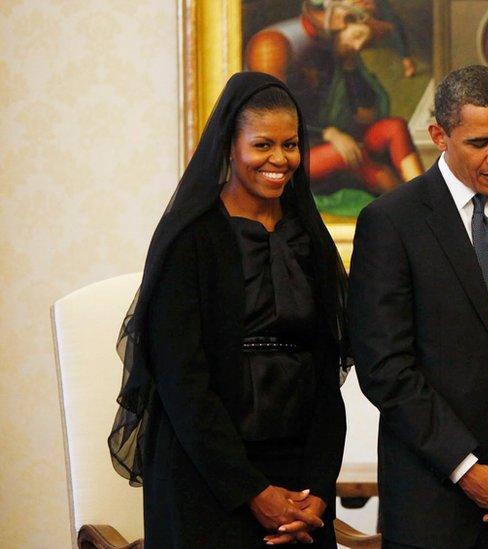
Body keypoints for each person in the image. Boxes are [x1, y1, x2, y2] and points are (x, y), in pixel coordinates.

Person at [108, 72, 349, 547]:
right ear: (229, 147)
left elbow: (326, 376)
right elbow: (183, 385)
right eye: (262, 145)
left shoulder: (311, 241)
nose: (280, 160)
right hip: (205, 475)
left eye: (291, 145)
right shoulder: (189, 239)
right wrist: (252, 492)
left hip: (299, 478)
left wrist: (318, 492)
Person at [348, 65, 488, 548]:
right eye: (480, 143)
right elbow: (385, 367)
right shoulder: (390, 222)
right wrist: (465, 467)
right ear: (439, 135)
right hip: (432, 507)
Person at [246, 0, 423, 209]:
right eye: (357, 37)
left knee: (394, 127)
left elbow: (368, 115)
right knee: (349, 155)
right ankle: (409, 207)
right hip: (291, 153)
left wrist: (349, 68)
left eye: (364, 43)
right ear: (342, 23)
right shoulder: (277, 45)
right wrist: (327, 133)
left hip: (338, 140)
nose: (358, 47)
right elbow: (270, 117)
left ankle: (421, 194)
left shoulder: (343, 54)